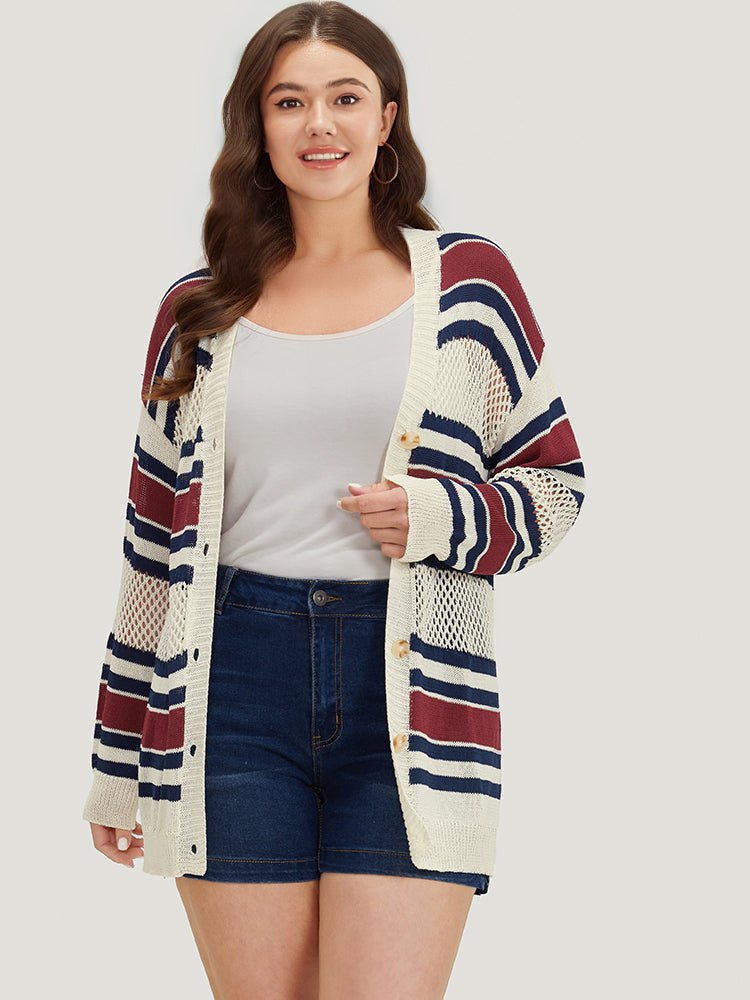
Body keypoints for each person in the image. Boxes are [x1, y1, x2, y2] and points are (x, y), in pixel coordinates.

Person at [83, 2, 585, 996]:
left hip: (416, 689)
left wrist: (439, 518)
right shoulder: (198, 311)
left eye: (346, 98)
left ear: (386, 118)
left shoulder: (469, 287)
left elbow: (554, 481)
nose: (320, 123)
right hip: (227, 685)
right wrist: (116, 754)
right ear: (258, 126)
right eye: (290, 101)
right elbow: (150, 549)